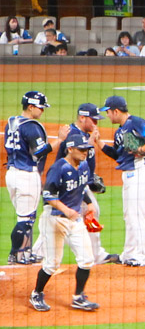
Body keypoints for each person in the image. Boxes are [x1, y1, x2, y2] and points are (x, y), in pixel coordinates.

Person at [28, 134, 99, 313]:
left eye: (87, 149)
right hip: (54, 219)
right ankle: (37, 293)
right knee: (52, 262)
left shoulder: (83, 166)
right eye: (81, 149)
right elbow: (48, 195)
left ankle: (78, 297)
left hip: (75, 220)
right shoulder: (58, 168)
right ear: (70, 149)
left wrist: (89, 204)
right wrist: (66, 209)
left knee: (87, 259)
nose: (85, 153)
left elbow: (81, 188)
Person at [48, 104, 117, 266]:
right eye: (93, 120)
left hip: (81, 181)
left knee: (87, 214)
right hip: (70, 183)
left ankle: (95, 254)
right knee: (61, 218)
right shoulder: (73, 135)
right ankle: (40, 253)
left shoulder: (85, 135)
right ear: (82, 118)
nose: (96, 123)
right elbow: (63, 162)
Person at [100, 95, 145, 266]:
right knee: (129, 216)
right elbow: (117, 155)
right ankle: (128, 254)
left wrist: (143, 149)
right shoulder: (120, 131)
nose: (107, 116)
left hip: (141, 173)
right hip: (129, 175)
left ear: (116, 111)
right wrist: (100, 143)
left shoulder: (135, 122)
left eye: (108, 112)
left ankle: (141, 256)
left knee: (136, 215)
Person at [5, 91, 53, 265]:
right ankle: (16, 255)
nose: (42, 111)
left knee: (24, 218)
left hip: (11, 173)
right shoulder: (31, 126)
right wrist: (57, 142)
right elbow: (39, 152)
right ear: (31, 107)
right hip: (26, 174)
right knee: (26, 220)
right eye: (40, 107)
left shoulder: (11, 122)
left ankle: (24, 253)